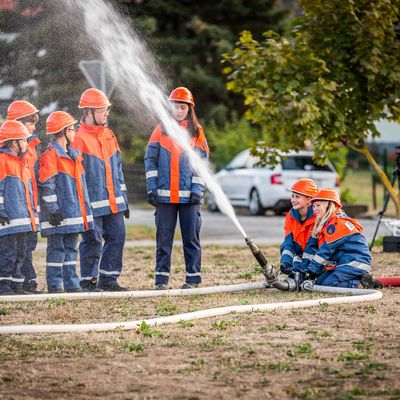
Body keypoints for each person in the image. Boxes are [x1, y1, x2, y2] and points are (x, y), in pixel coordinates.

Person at [144, 87, 209, 290]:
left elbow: (202, 163)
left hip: (190, 198)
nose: (179, 110)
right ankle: (161, 280)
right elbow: (150, 160)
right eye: (175, 107)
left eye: (183, 107)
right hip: (164, 198)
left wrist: (197, 190)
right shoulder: (160, 131)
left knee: (191, 239)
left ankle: (193, 279)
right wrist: (152, 188)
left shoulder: (197, 133)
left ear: (189, 109)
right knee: (163, 240)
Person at [72, 88, 129, 292]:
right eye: (102, 110)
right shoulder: (78, 139)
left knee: (118, 237)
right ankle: (88, 281)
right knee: (92, 241)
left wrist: (124, 199)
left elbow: (118, 169)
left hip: (114, 203)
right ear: (88, 112)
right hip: (91, 205)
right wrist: (81, 205)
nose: (106, 113)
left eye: (107, 109)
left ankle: (109, 280)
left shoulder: (109, 134)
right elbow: (77, 177)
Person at [39, 111, 94, 293]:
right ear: (62, 132)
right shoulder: (50, 155)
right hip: (58, 216)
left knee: (71, 250)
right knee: (56, 250)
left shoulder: (74, 155)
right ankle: (55, 286)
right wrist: (53, 210)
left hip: (72, 214)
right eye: (72, 129)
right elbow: (47, 186)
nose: (74, 132)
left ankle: (72, 284)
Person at [300, 188, 382, 288]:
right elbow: (313, 249)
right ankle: (362, 277)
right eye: (313, 206)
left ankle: (360, 284)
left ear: (330, 205)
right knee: (319, 283)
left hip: (355, 262)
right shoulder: (327, 223)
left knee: (328, 284)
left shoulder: (337, 223)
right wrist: (303, 269)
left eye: (318, 205)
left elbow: (325, 251)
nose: (314, 209)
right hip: (344, 262)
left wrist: (310, 271)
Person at [7, 100, 41, 293]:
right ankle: (22, 282)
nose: (34, 127)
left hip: (30, 207)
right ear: (19, 123)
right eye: (31, 122)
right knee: (17, 248)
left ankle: (26, 281)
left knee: (28, 246)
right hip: (18, 209)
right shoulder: (12, 151)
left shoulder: (31, 146)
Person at [0, 120, 38, 295]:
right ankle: (4, 286)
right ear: (13, 142)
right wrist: (1, 212)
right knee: (8, 254)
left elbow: (28, 194)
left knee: (21, 253)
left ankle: (17, 285)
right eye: (23, 140)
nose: (26, 143)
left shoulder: (22, 162)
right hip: (8, 220)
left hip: (22, 219)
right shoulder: (2, 160)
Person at [280, 178, 318, 277]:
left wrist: (304, 268)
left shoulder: (318, 217)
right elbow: (288, 242)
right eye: (292, 196)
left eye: (297, 197)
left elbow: (314, 246)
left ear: (309, 199)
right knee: (294, 276)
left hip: (317, 257)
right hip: (301, 255)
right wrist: (286, 262)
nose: (293, 200)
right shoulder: (290, 216)